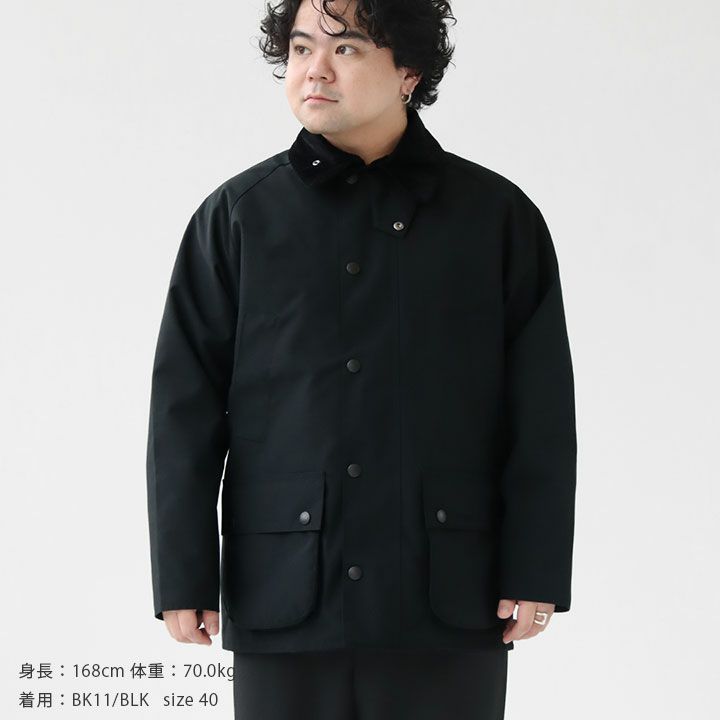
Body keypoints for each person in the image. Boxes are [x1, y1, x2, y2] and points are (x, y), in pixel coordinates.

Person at [145, 1, 578, 718]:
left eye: (344, 48)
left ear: (409, 70)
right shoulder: (238, 218)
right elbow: (183, 410)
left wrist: (535, 567)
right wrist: (184, 574)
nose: (314, 70)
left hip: (446, 595)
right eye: (301, 48)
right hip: (287, 591)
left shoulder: (496, 219)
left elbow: (541, 411)